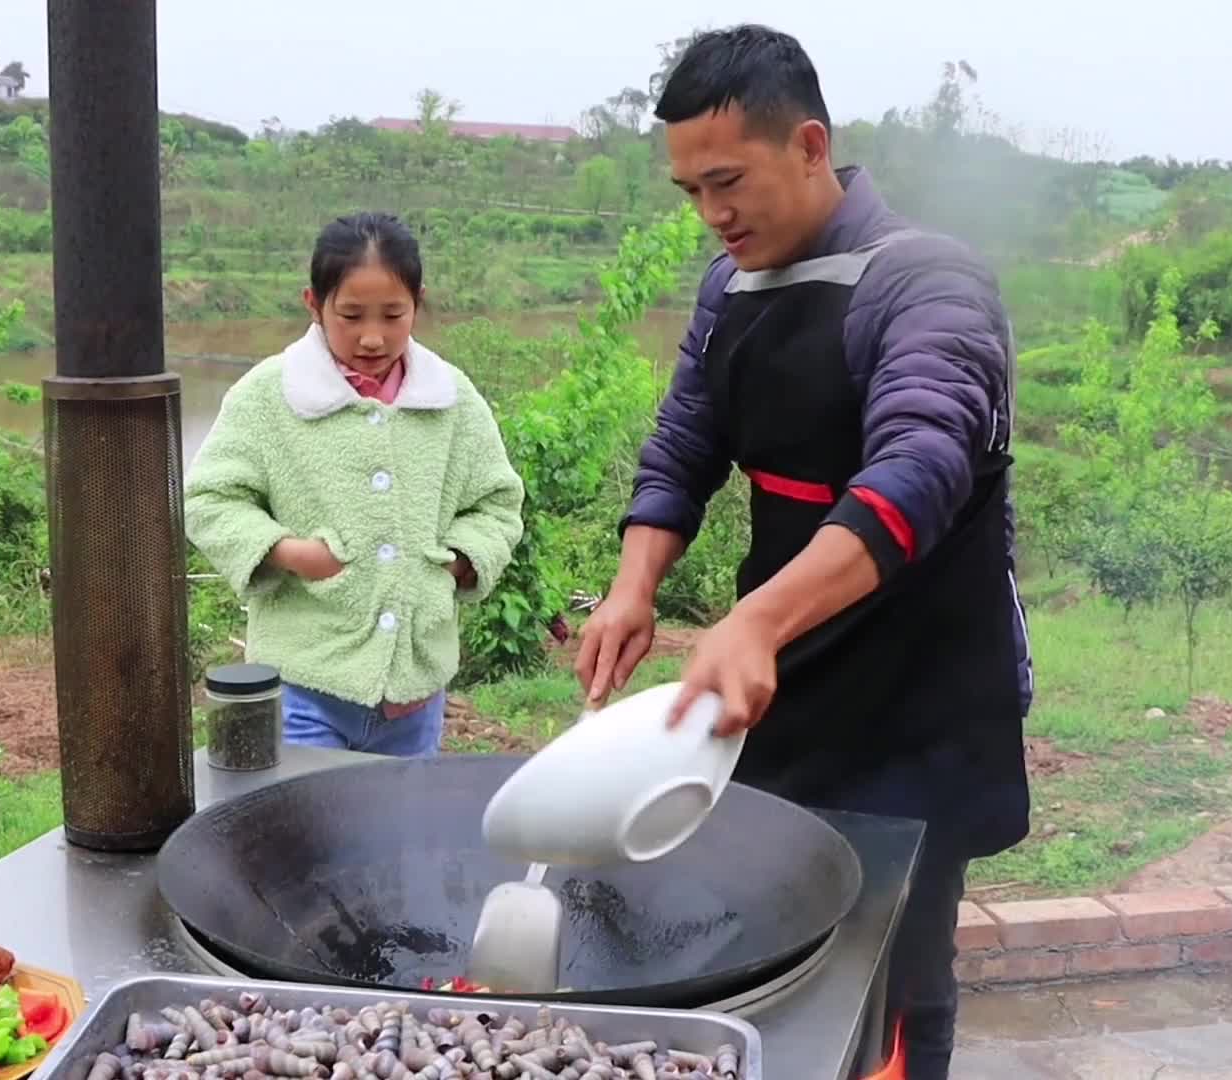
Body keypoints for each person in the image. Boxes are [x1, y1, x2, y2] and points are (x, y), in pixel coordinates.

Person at [573, 26, 1031, 1079]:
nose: (712, 212)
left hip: (919, 697)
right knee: (777, 938)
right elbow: (682, 447)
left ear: (811, 145)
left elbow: (920, 466)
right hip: (784, 683)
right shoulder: (729, 290)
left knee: (899, 968)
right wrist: (633, 588)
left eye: (728, 182)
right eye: (691, 191)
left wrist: (756, 618)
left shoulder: (927, 281)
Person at [185, 212, 525, 756]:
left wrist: (460, 560)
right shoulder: (269, 396)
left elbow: (497, 503)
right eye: (350, 316)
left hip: (415, 694)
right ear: (314, 304)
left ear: (418, 303)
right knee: (314, 813)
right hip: (304, 686)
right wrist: (289, 552)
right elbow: (209, 498)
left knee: (401, 814)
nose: (372, 337)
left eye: (393, 315)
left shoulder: (451, 399)